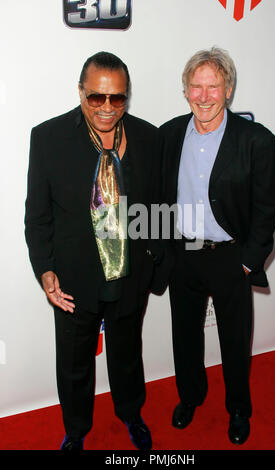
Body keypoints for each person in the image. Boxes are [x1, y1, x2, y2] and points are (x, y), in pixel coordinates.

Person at [25, 52, 158, 451]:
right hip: (73, 279)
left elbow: (159, 206)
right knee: (73, 363)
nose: (106, 108)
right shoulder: (47, 138)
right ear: (81, 92)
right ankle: (77, 430)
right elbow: (38, 216)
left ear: (126, 96)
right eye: (96, 98)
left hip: (129, 276)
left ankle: (132, 414)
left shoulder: (149, 138)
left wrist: (153, 265)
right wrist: (45, 269)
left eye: (116, 98)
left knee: (127, 354)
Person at [158, 47, 275, 444]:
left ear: (228, 90)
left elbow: (266, 211)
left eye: (213, 86)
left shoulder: (257, 141)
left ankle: (239, 410)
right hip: (184, 255)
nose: (204, 95)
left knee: (234, 339)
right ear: (185, 90)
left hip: (230, 257)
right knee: (185, 335)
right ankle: (190, 397)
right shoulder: (169, 134)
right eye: (196, 86)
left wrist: (248, 262)